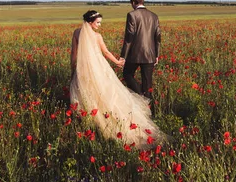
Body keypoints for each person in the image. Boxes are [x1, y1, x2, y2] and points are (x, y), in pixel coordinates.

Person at [70, 10, 167, 149]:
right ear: (90, 22)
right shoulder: (97, 36)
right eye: (97, 23)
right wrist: (117, 61)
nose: (99, 25)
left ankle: (91, 123)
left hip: (83, 69)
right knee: (106, 93)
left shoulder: (76, 33)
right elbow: (106, 52)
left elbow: (74, 53)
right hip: (99, 68)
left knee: (87, 93)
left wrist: (73, 69)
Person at [121, 0, 161, 110]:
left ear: (133, 3)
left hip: (134, 54)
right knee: (147, 83)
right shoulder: (154, 16)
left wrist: (123, 55)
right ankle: (149, 110)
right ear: (142, 2)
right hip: (150, 54)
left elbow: (129, 37)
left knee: (127, 74)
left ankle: (140, 97)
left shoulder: (132, 15)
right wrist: (157, 54)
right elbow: (157, 37)